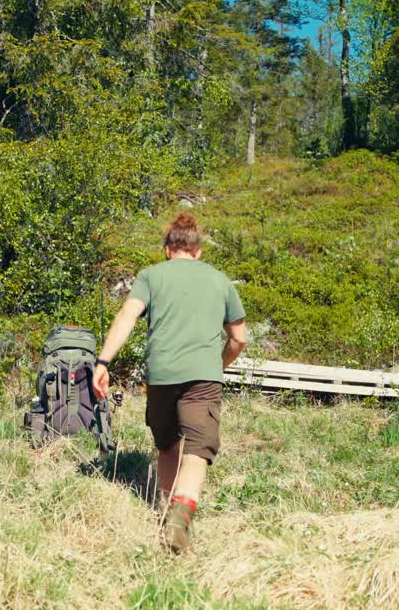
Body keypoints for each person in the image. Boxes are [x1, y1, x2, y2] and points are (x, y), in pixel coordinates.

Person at [91, 212, 247, 553]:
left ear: (167, 249)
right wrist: (216, 364)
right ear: (198, 251)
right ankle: (179, 518)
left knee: (167, 446)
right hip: (204, 377)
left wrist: (103, 361)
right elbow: (239, 338)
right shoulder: (220, 280)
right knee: (197, 450)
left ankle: (163, 511)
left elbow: (127, 317)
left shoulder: (151, 276)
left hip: (162, 375)